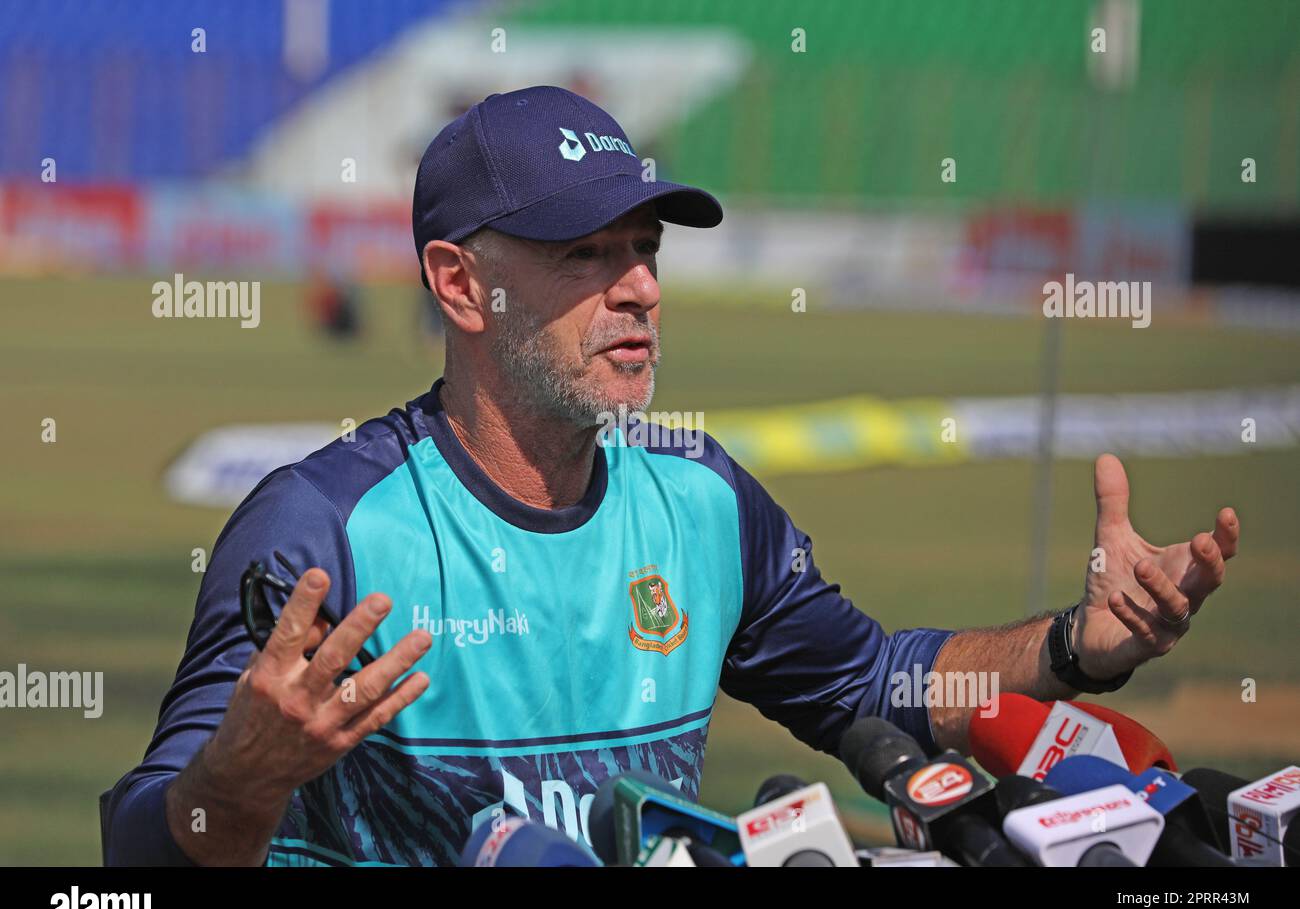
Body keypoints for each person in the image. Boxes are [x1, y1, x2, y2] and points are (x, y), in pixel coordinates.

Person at [105, 86, 1239, 866]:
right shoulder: (323, 529)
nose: (640, 286)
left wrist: (1070, 648)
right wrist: (243, 778)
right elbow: (132, 864)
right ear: (458, 285)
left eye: (645, 246)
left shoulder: (701, 498)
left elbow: (879, 683)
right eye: (584, 254)